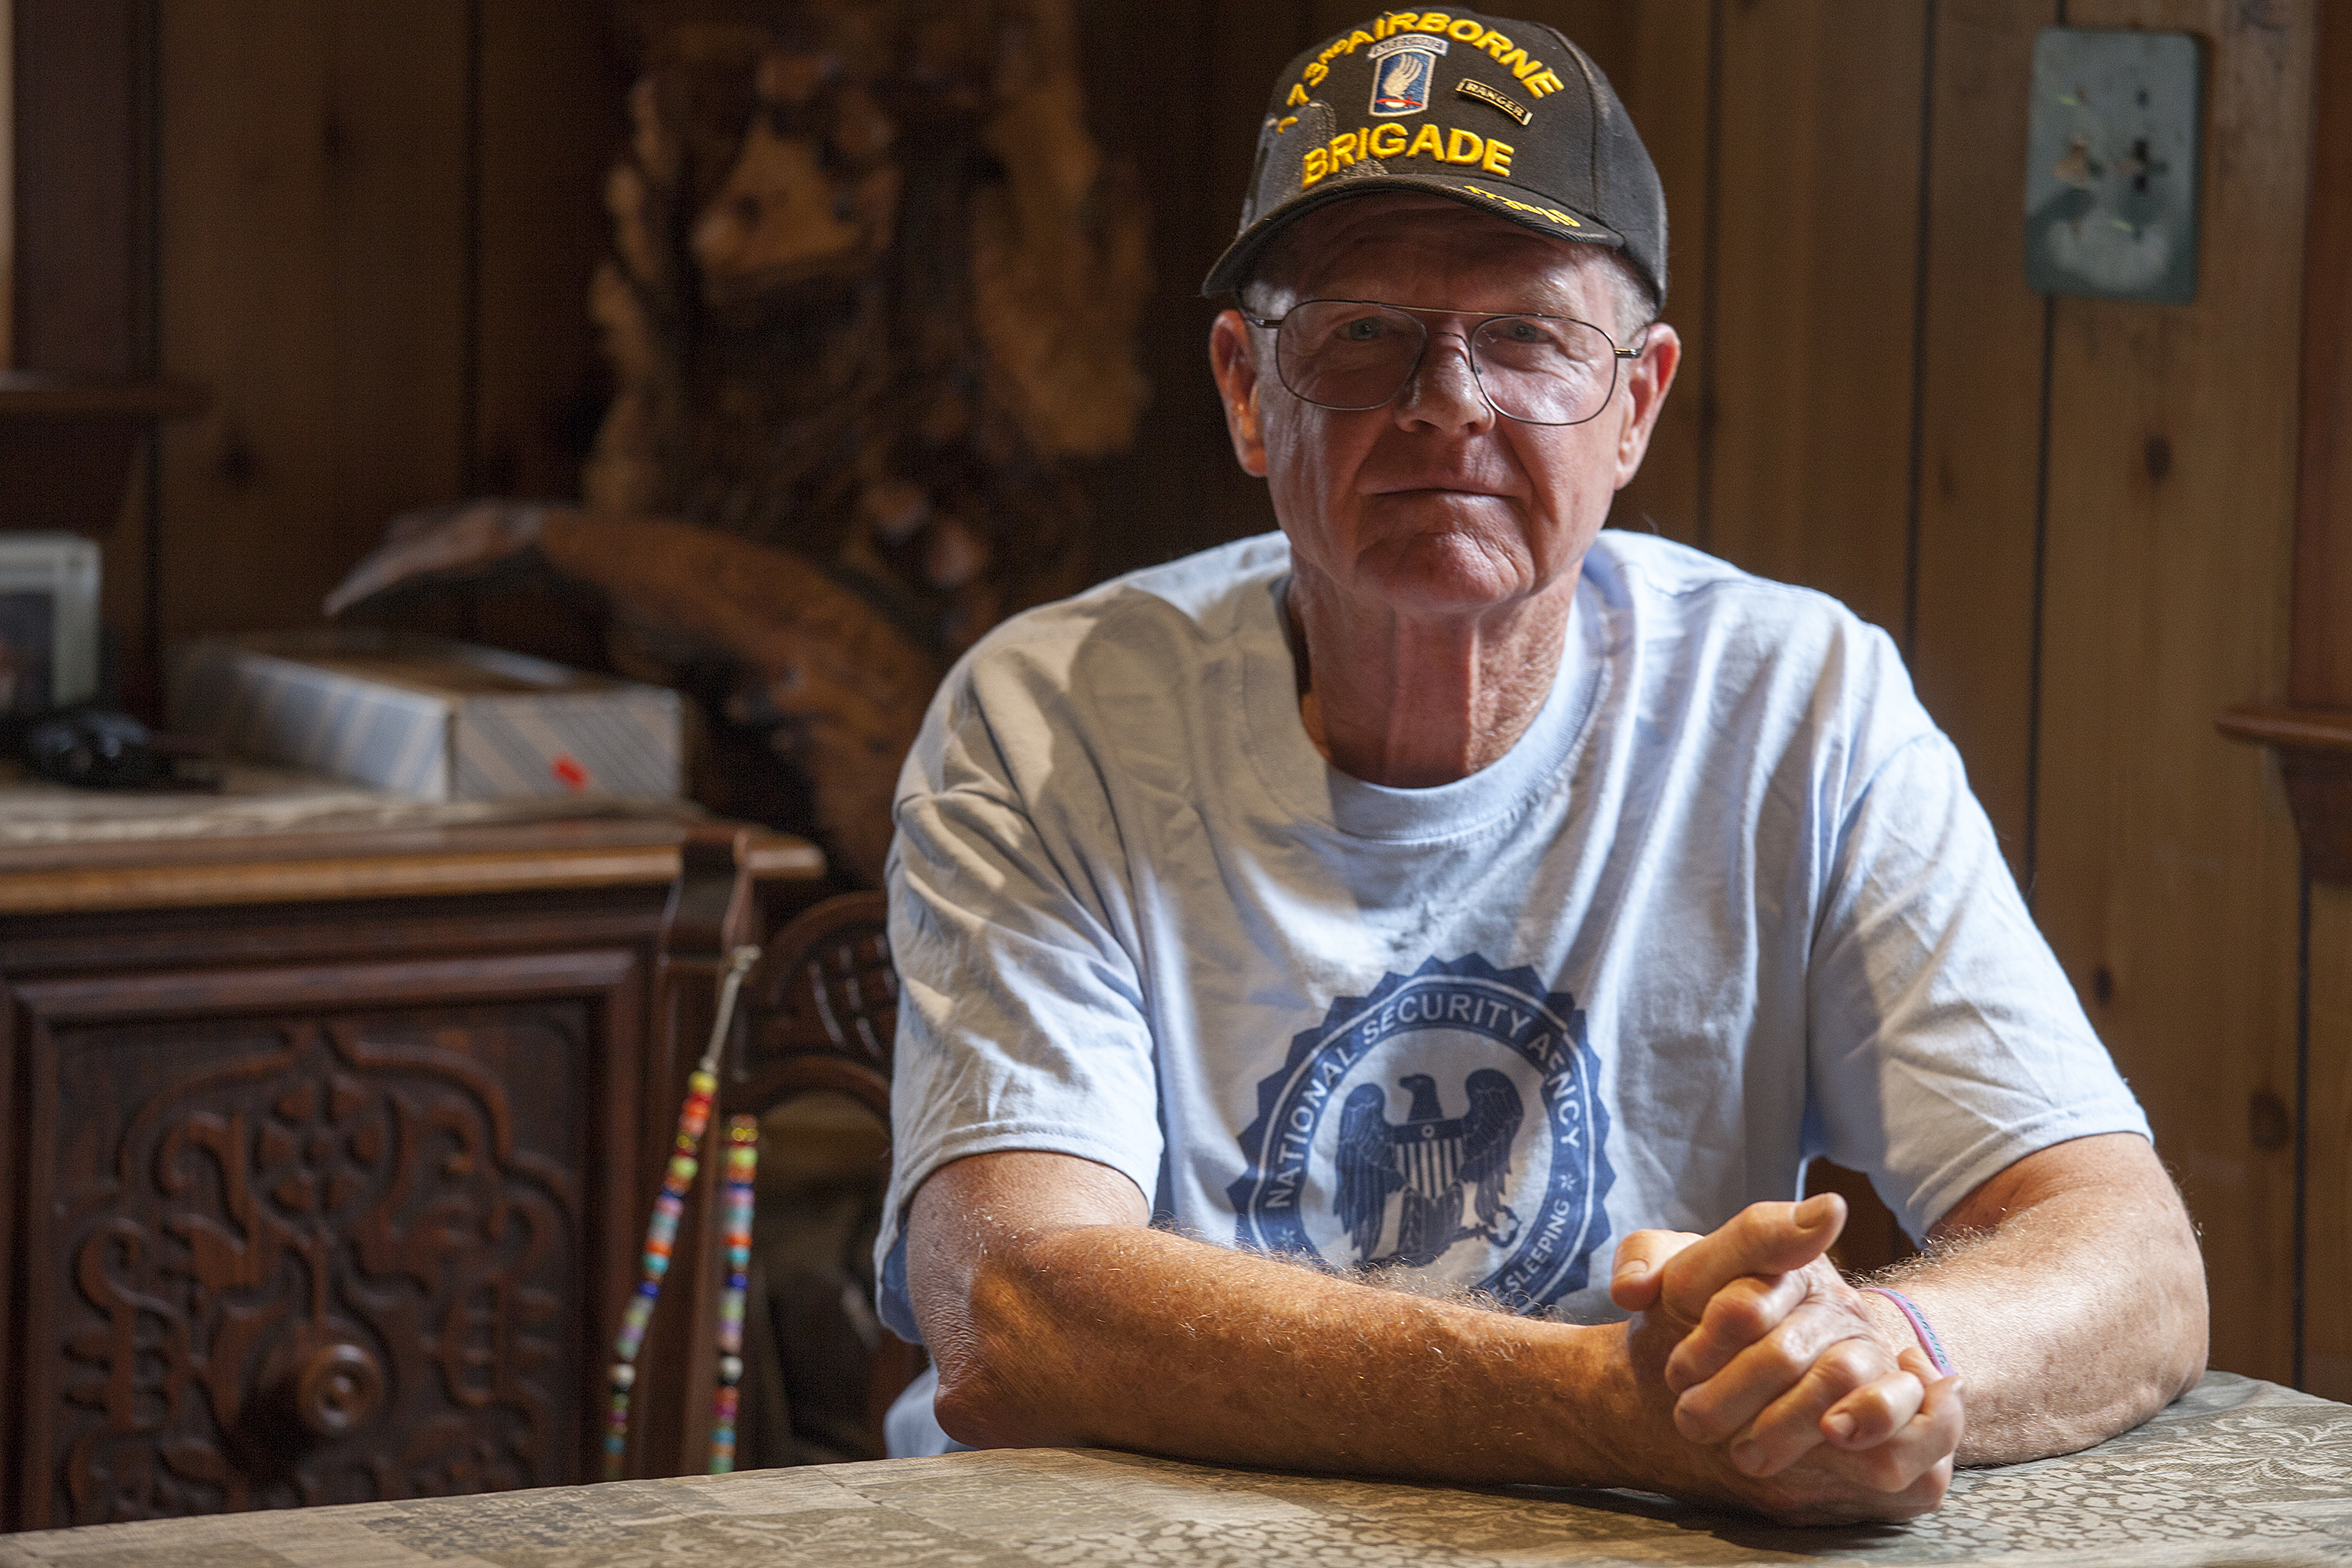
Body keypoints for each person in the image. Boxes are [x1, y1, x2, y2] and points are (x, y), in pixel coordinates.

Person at [873, 8, 2207, 1523]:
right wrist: (1615, 1411)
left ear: (1634, 402)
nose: (1449, 398)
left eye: (1527, 336)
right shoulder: (1052, 721)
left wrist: (1869, 1356)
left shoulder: (1798, 701)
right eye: (1364, 334)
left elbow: (2129, 1257)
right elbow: (1013, 1307)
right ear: (1249, 391)